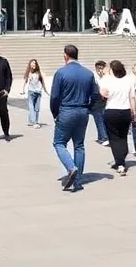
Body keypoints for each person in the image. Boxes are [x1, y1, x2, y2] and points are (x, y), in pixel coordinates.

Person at [48, 44, 98, 192]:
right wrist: (89, 107)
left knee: (59, 142)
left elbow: (55, 96)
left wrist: (55, 112)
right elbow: (95, 94)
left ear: (65, 55)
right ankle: (78, 181)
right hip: (82, 111)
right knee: (79, 145)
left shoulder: (61, 73)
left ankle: (71, 167)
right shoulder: (88, 73)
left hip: (67, 110)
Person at [100, 60, 135, 176]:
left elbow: (103, 93)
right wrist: (133, 112)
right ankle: (122, 157)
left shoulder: (107, 79)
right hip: (125, 110)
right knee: (123, 136)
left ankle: (120, 163)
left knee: (114, 138)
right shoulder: (128, 80)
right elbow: (132, 97)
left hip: (111, 110)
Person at [19, 59, 45, 129]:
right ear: (30, 65)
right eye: (32, 63)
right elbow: (25, 82)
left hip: (38, 92)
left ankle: (34, 121)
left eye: (35, 63)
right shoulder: (29, 73)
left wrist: (44, 90)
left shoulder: (39, 73)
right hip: (31, 92)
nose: (33, 64)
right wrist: (23, 90)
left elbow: (42, 82)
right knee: (31, 108)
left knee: (36, 108)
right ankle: (34, 122)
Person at [90, 61, 109, 145]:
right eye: (98, 69)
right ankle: (101, 136)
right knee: (98, 120)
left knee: (102, 120)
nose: (100, 71)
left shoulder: (107, 78)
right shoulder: (94, 78)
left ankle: (104, 137)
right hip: (96, 102)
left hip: (105, 101)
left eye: (101, 68)